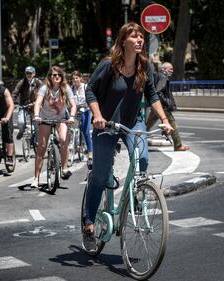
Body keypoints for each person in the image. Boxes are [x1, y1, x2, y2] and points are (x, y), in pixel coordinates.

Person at [82, 22, 173, 251]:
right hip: (107, 124)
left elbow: (152, 94)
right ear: (123, 42)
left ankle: (135, 198)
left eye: (141, 36)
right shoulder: (108, 65)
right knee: (101, 176)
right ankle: (89, 222)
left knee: (141, 160)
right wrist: (97, 115)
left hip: (133, 123)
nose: (140, 40)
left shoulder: (144, 66)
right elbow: (90, 89)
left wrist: (164, 120)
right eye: (134, 37)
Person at [31, 66, 77, 188]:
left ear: (62, 77)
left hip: (61, 119)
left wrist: (72, 116)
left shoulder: (65, 88)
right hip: (45, 119)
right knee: (41, 148)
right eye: (53, 75)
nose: (56, 77)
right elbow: (38, 103)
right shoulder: (44, 89)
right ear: (49, 77)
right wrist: (36, 115)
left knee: (63, 139)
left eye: (59, 75)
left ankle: (64, 168)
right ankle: (36, 178)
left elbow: (73, 105)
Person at [146, 62, 190, 151]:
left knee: (147, 125)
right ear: (164, 69)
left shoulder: (158, 76)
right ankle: (178, 146)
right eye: (170, 69)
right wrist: (167, 102)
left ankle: (135, 138)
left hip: (157, 106)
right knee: (173, 125)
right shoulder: (163, 77)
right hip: (163, 107)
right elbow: (158, 91)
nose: (172, 71)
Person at [12, 66, 42, 140]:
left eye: (30, 73)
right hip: (24, 106)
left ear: (34, 74)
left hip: (35, 106)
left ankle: (36, 141)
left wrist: (39, 102)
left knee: (37, 126)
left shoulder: (38, 82)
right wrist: (11, 102)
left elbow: (44, 93)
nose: (29, 75)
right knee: (21, 122)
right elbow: (15, 93)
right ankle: (21, 131)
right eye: (27, 73)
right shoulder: (22, 82)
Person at [71, 70, 93, 163]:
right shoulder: (72, 89)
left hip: (86, 110)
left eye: (76, 78)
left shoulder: (85, 87)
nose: (75, 80)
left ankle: (90, 152)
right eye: (73, 78)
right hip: (76, 111)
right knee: (73, 130)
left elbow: (91, 98)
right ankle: (76, 146)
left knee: (86, 132)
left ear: (80, 78)